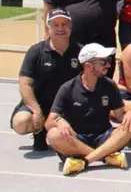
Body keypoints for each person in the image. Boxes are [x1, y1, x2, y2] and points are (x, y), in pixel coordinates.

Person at [46, 43, 131, 175]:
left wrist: (129, 113)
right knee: (53, 135)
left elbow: (120, 116)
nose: (108, 65)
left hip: (104, 137)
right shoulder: (67, 88)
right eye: (103, 62)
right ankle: (104, 157)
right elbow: (49, 122)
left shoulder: (110, 85)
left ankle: (84, 161)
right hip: (77, 139)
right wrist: (60, 122)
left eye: (109, 60)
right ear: (89, 66)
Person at [11, 9, 81, 151]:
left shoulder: (81, 52)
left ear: (70, 27)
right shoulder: (36, 51)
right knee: (21, 122)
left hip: (67, 108)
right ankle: (39, 130)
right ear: (47, 28)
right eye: (55, 25)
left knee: (74, 138)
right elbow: (25, 84)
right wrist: (36, 111)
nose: (60, 28)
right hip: (40, 105)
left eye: (64, 24)